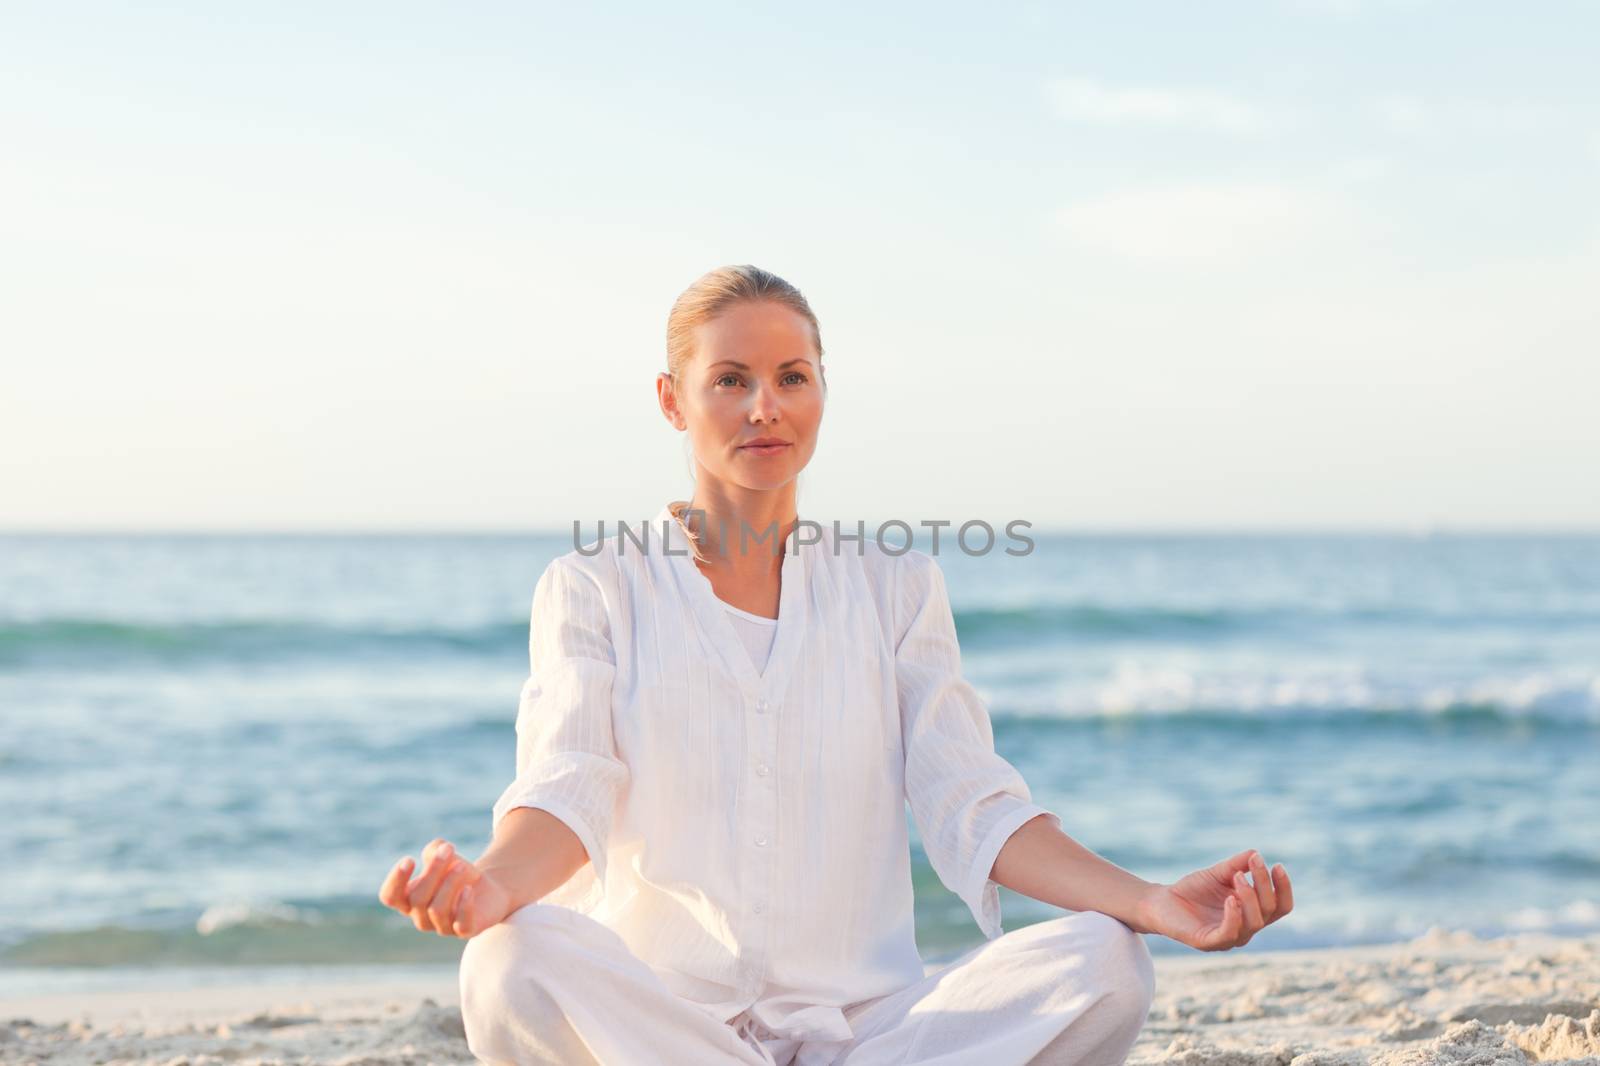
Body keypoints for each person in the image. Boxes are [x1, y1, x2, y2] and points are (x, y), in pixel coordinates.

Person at [378, 265, 1294, 1065]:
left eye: (791, 377)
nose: (763, 406)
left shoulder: (895, 585)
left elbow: (974, 808)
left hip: (875, 1034)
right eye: (729, 379)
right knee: (506, 961)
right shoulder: (596, 584)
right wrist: (492, 883)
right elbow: (567, 790)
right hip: (667, 1033)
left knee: (1106, 963)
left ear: (822, 391)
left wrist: (1152, 902)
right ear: (672, 400)